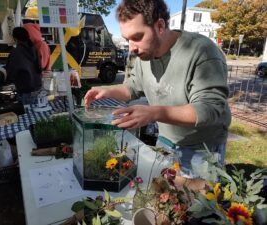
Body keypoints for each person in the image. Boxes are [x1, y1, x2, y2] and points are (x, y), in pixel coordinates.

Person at [84, 0, 231, 178]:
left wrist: (153, 113)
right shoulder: (144, 54)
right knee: (164, 196)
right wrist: (106, 91)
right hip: (165, 140)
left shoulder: (202, 51)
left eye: (137, 37)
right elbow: (132, 87)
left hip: (202, 148)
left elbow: (210, 110)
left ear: (160, 26)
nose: (131, 47)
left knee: (197, 203)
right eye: (127, 39)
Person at [6, 27, 42, 105]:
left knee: (26, 112)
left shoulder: (16, 52)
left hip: (25, 88)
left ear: (15, 38)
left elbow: (11, 72)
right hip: (37, 86)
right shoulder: (33, 48)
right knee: (36, 111)